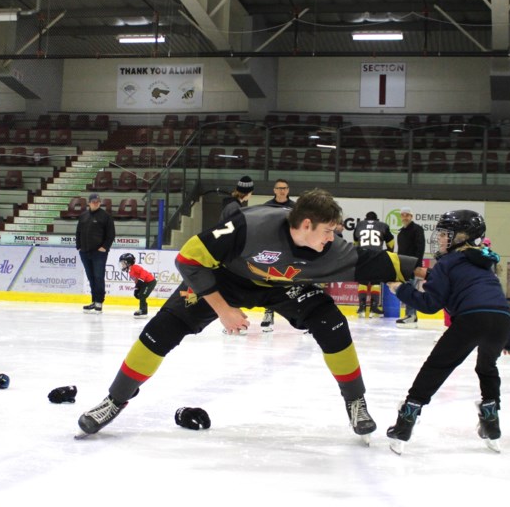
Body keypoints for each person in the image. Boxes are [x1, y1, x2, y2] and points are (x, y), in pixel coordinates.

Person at [76, 188, 419, 441]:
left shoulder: (332, 249)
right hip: (228, 280)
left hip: (285, 287)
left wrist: (438, 273)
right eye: (328, 231)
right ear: (307, 224)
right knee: (161, 330)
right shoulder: (247, 225)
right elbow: (188, 259)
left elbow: (385, 262)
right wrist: (222, 309)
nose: (333, 238)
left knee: (333, 323)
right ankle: (114, 400)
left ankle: (355, 401)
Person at [385, 210, 510, 454]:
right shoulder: (484, 263)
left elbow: (431, 304)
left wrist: (400, 289)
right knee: (487, 368)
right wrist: (509, 341)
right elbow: (497, 302)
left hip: (470, 320)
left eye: (446, 234)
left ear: (462, 237)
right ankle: (491, 423)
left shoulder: (447, 262)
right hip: (501, 322)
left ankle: (405, 423)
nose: (441, 239)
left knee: (436, 368)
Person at [259, 179, 295, 331]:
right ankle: (269, 312)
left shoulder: (295, 207)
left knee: (294, 281)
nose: (282, 191)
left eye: (285, 188)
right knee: (270, 280)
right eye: (279, 188)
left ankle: (298, 313)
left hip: (290, 249)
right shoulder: (267, 206)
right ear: (274, 190)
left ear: (288, 190)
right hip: (272, 250)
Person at [75, 192, 115, 313]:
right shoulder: (83, 216)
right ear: (89, 203)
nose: (95, 203)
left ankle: (99, 302)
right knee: (91, 277)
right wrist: (78, 246)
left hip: (99, 253)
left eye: (97, 202)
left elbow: (111, 234)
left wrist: (104, 247)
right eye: (93, 202)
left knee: (98, 277)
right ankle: (93, 301)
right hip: (85, 252)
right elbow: (78, 232)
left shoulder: (105, 216)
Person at [352, 211, 395, 317]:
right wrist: (389, 252)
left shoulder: (359, 225)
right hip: (376, 255)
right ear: (377, 219)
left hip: (362, 255)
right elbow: (391, 243)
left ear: (365, 219)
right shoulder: (382, 226)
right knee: (375, 282)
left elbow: (355, 244)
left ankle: (361, 308)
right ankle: (373, 308)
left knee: (363, 282)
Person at [395, 206, 426, 328]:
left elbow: (420, 248)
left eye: (407, 215)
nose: (405, 217)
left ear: (411, 216)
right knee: (407, 289)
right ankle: (410, 315)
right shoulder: (401, 232)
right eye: (403, 215)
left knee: (410, 290)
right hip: (403, 265)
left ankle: (411, 315)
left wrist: (416, 265)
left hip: (412, 266)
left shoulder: (417, 229)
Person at [119, 252, 157, 318]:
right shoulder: (130, 272)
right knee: (140, 295)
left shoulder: (135, 267)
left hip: (150, 282)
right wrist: (137, 288)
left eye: (123, 263)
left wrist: (141, 280)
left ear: (128, 263)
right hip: (145, 283)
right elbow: (137, 281)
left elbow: (143, 272)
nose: (122, 265)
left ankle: (143, 310)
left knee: (142, 295)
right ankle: (143, 309)